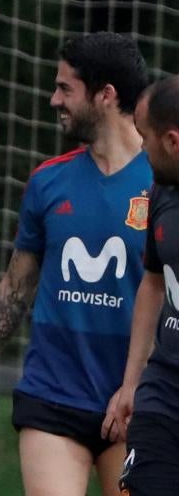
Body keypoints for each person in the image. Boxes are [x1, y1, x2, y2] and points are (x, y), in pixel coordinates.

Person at [0, 32, 151, 496]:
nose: (53, 100)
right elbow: (16, 286)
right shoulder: (48, 182)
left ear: (105, 95)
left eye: (65, 88)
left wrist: (140, 385)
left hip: (138, 401)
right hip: (53, 393)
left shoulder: (164, 183)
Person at [113, 76, 179, 495]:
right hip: (164, 395)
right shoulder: (161, 192)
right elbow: (154, 283)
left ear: (172, 141)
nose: (140, 148)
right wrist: (132, 381)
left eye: (145, 137)